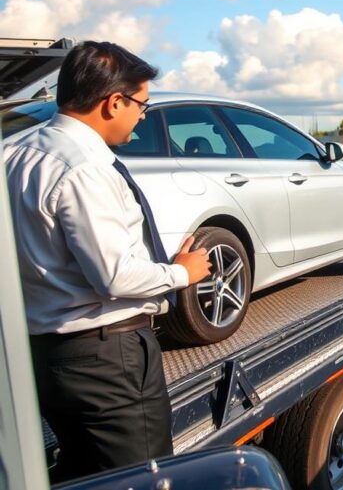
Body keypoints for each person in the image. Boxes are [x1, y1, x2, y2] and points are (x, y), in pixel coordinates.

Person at [3, 41, 211, 482]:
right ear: (113, 102)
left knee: (84, 472)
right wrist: (181, 273)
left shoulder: (13, 153)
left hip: (43, 352)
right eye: (141, 105)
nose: (142, 116)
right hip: (106, 359)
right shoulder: (85, 168)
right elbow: (113, 275)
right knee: (139, 477)